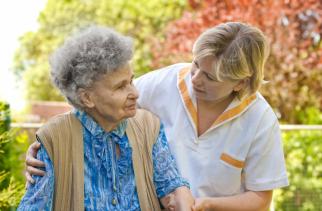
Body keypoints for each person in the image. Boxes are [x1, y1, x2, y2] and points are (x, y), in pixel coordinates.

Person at [25, 22, 289, 210]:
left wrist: (202, 204)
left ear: (240, 83)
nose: (194, 78)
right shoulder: (164, 82)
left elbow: (260, 199)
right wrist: (50, 146)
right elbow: (95, 103)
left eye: (209, 77)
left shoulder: (260, 120)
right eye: (196, 64)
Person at [18, 25, 194, 211]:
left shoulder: (149, 127)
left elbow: (170, 184)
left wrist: (178, 195)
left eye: (131, 81)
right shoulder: (55, 138)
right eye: (120, 87)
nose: (135, 93)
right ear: (87, 98)